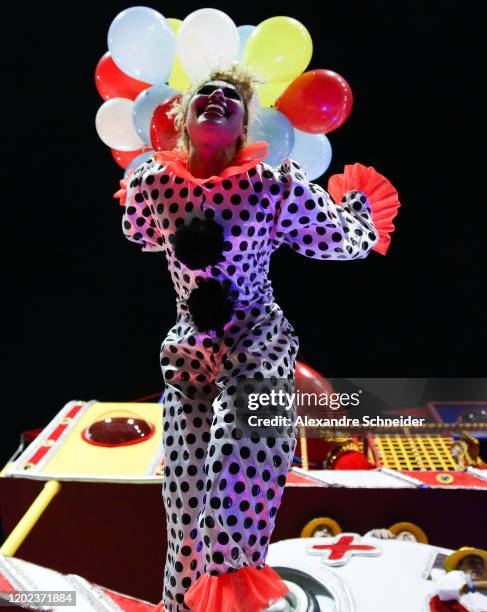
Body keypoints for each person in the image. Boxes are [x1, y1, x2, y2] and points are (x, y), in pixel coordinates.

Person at [119, 63, 398, 612]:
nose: (218, 99)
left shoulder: (271, 185)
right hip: (190, 355)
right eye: (207, 92)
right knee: (184, 508)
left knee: (231, 499)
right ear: (182, 116)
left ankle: (232, 600)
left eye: (232, 97)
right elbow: (139, 230)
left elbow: (337, 237)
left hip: (258, 345)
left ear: (245, 126)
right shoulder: (152, 184)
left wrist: (361, 209)